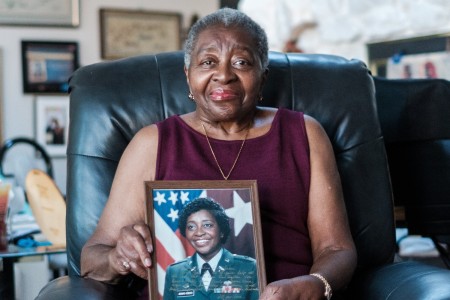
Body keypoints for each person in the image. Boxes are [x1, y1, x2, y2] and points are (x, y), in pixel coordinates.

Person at [80, 7, 357, 300]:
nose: (224, 76)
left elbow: (337, 250)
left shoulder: (304, 133)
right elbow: (92, 257)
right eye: (208, 61)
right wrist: (117, 257)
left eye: (241, 62)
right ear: (189, 76)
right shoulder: (152, 143)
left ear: (262, 76)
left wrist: (315, 284)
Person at [163, 197, 258, 299]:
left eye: (207, 225)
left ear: (221, 231)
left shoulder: (249, 268)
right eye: (191, 227)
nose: (199, 233)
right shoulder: (174, 272)